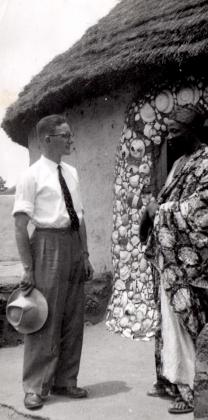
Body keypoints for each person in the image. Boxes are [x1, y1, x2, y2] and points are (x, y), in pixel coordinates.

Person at [140, 107, 208, 414]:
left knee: (184, 319)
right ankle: (171, 379)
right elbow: (166, 202)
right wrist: (152, 210)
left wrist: (160, 213)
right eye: (170, 131)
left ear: (194, 130)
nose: (171, 136)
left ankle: (189, 387)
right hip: (170, 256)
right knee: (168, 318)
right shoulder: (178, 164)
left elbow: (206, 205)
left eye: (177, 131)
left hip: (193, 260)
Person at [13, 114, 94, 410]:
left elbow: (81, 216)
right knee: (44, 316)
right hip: (46, 244)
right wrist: (29, 268)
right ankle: (35, 386)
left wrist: (85, 254)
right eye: (66, 135)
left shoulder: (71, 172)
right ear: (48, 139)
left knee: (73, 317)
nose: (71, 140)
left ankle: (65, 380)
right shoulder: (31, 175)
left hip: (73, 243)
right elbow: (21, 226)